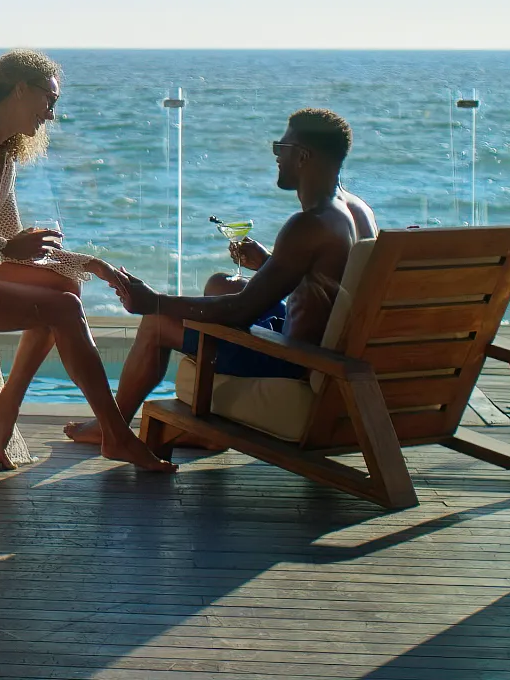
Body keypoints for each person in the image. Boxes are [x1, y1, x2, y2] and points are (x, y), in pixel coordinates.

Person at [0, 50, 176, 484]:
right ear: (20, 89)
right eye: (49, 100)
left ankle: (6, 404)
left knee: (65, 285)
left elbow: (13, 237)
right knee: (62, 308)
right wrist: (7, 247)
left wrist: (89, 264)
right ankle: (117, 434)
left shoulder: (0, 151)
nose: (52, 114)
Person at [66, 108, 378, 446]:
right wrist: (269, 263)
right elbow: (330, 283)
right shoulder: (356, 210)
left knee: (157, 324)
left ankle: (112, 427)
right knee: (221, 284)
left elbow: (240, 311)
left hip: (294, 358)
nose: (276, 156)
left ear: (303, 156)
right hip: (317, 339)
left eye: (281, 147)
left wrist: (152, 301)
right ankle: (209, 428)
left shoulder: (310, 224)